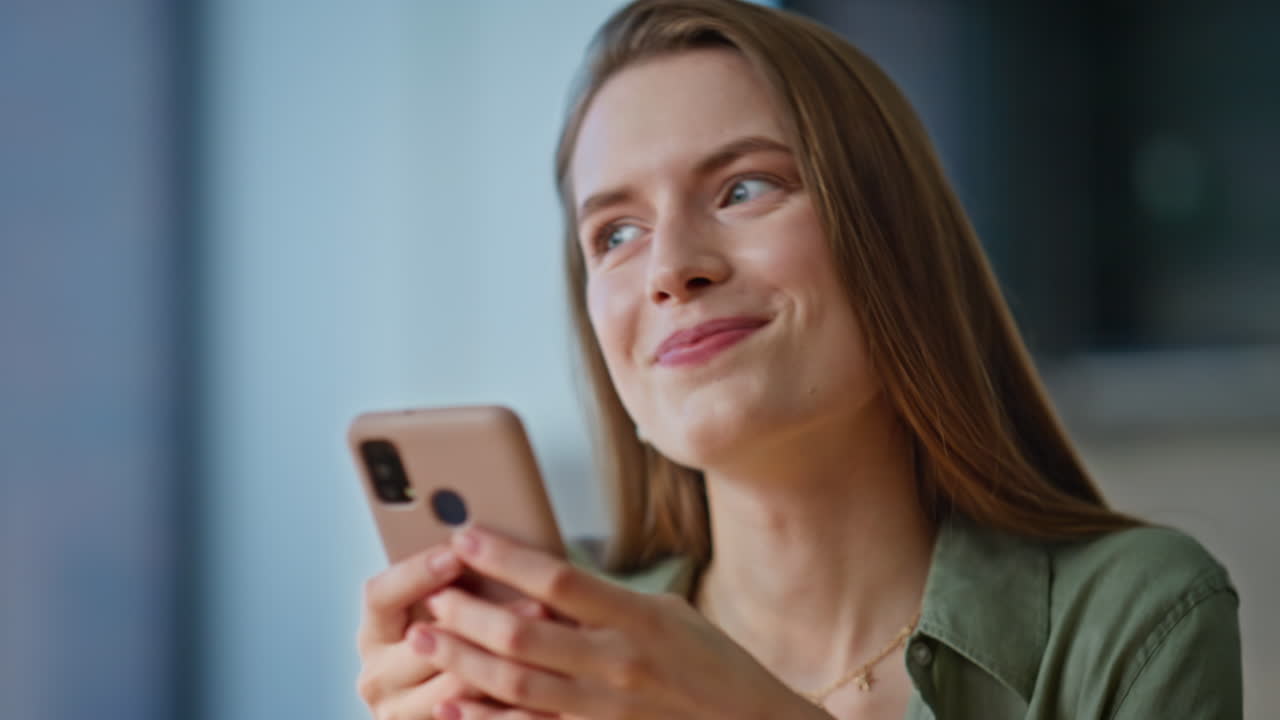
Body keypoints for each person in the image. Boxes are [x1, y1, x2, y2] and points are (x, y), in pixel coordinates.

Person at [355, 1, 1243, 718]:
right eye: (615, 233)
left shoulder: (1135, 617)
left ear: (893, 239)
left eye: (745, 187)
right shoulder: (559, 644)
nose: (670, 270)